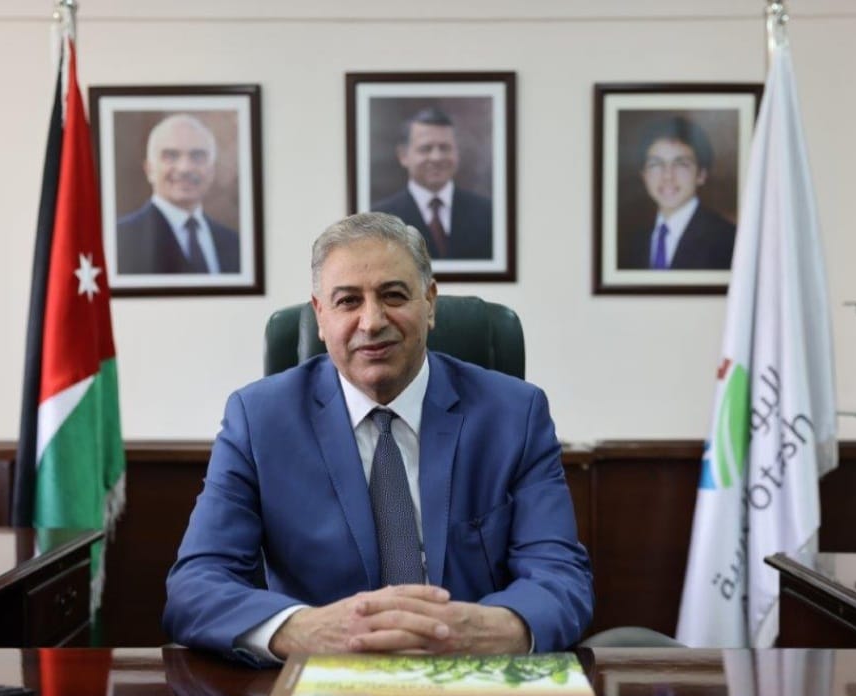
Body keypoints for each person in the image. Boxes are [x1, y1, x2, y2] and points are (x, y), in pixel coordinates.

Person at [164, 212, 593, 667]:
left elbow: (560, 578)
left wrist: (479, 629)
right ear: (320, 315)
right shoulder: (259, 420)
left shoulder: (514, 414)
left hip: (470, 674)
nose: (371, 321)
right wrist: (307, 629)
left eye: (393, 295)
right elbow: (196, 587)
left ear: (430, 304)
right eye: (348, 301)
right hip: (325, 681)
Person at [116, 113, 240, 275]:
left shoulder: (235, 243)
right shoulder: (120, 239)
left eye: (197, 156)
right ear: (149, 170)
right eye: (171, 156)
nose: (185, 168)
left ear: (212, 170)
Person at [372, 107, 493, 260]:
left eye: (445, 148)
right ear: (403, 155)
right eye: (425, 149)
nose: (436, 157)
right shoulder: (381, 218)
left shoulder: (488, 213)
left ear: (457, 153)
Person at [619, 115, 735, 270]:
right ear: (644, 175)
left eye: (681, 164)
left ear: (701, 175)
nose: (668, 176)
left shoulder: (727, 238)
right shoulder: (635, 240)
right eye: (656, 164)